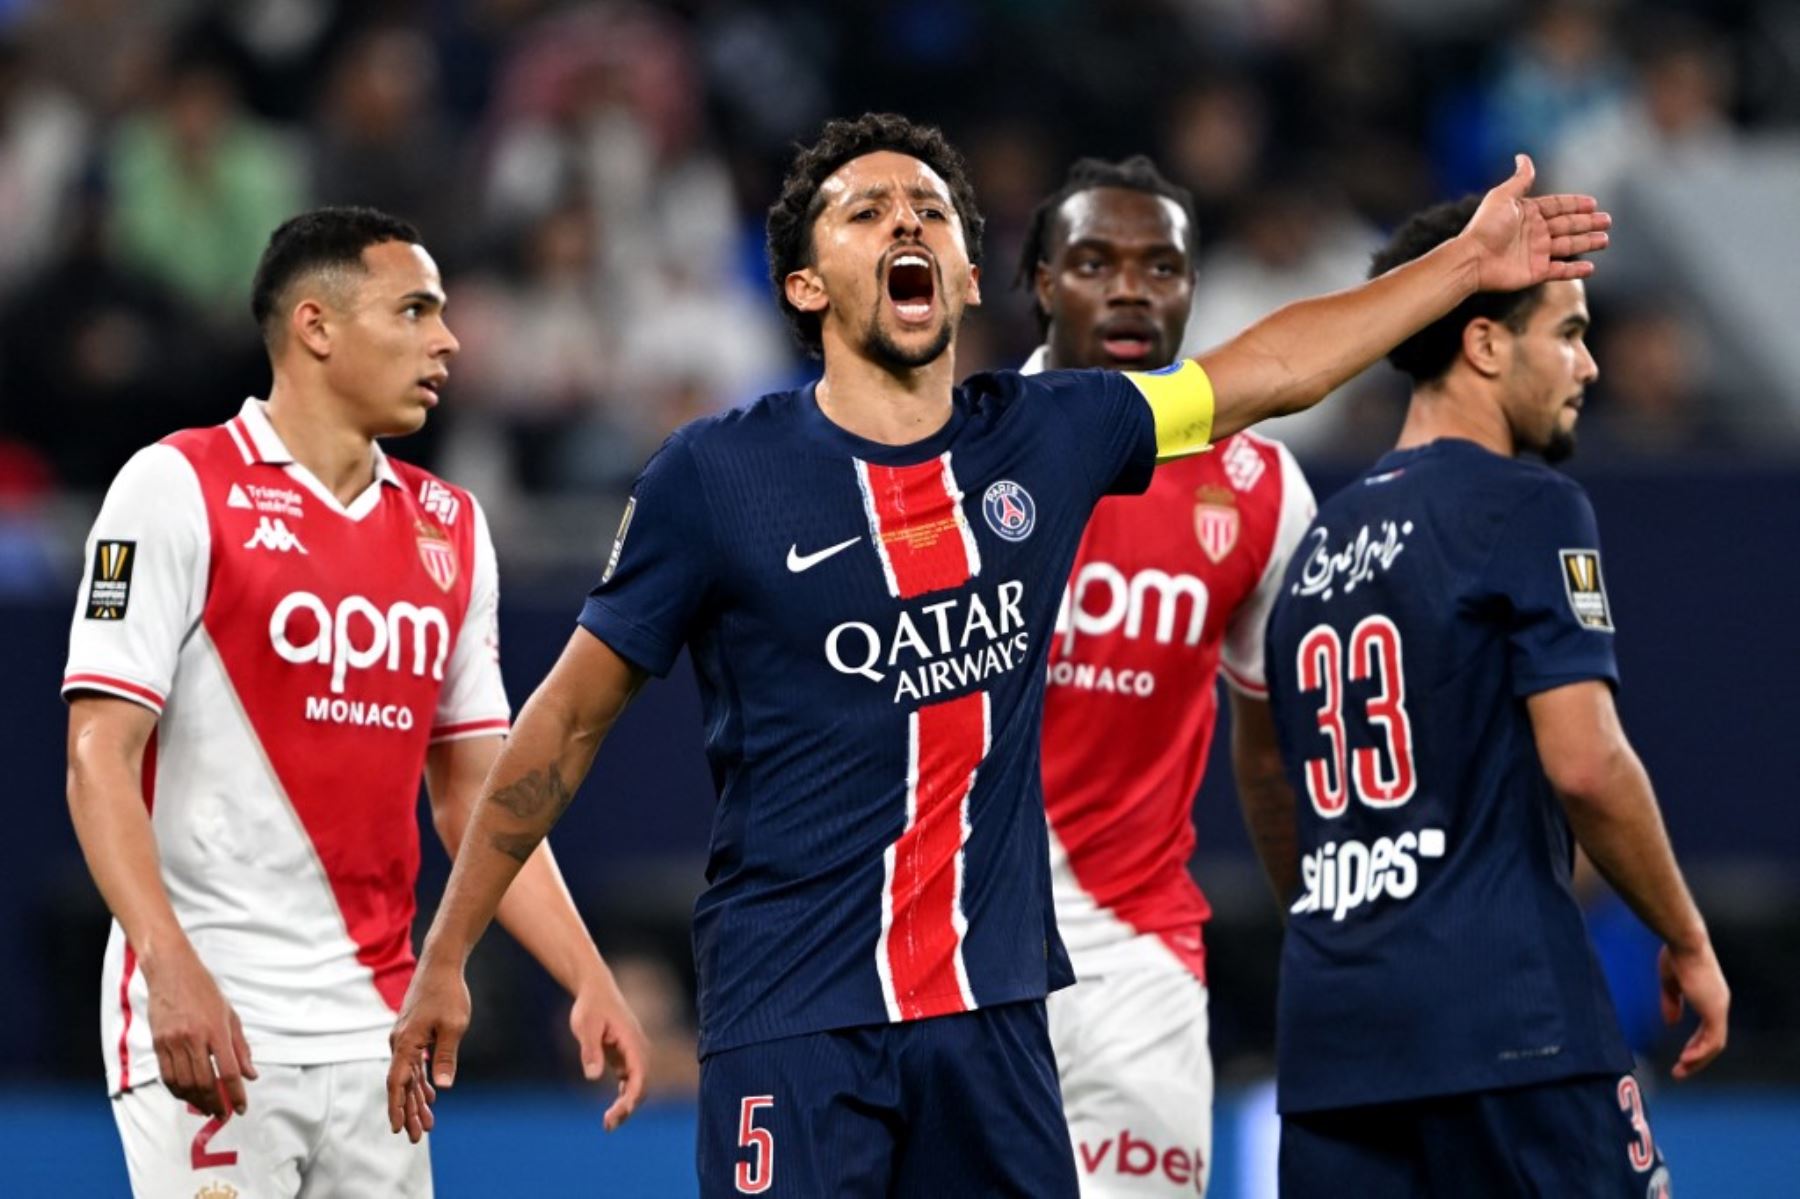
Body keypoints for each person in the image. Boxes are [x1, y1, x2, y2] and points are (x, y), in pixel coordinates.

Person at [387, 112, 1610, 1196]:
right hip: (795, 1017)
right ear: (808, 284)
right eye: (866, 210)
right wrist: (451, 949)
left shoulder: (1052, 438)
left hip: (993, 1023)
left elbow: (1268, 370)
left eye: (929, 208)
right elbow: (565, 724)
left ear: (970, 275)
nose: (904, 219)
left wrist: (1460, 268)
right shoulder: (714, 476)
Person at [63, 207, 647, 1198]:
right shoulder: (173, 485)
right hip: (217, 1020)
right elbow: (96, 756)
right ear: (316, 325)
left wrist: (586, 970)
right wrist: (165, 961)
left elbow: (478, 792)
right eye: (415, 309)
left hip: (381, 1037)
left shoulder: (451, 526)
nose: (448, 339)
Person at [1259, 195, 1728, 1197]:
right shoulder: (1529, 506)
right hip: (1508, 1025)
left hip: (1335, 1032)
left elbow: (1268, 776)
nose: (1589, 367)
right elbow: (1587, 761)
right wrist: (1685, 933)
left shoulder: (1313, 555)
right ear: (1482, 342)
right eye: (1567, 334)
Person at [1017, 155, 1313, 1197]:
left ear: (1195, 288)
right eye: (1096, 262)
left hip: (1137, 964)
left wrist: (1320, 941)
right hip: (949, 955)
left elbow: (1271, 746)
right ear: (1042, 281)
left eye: (1162, 266)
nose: (1133, 288)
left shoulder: (1263, 487)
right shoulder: (952, 449)